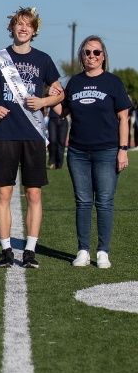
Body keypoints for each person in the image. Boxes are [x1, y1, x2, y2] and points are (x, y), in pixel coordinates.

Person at [0, 8, 63, 268]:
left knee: (34, 195)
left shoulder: (44, 59)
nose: (23, 28)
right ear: (12, 28)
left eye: (28, 25)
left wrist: (43, 101)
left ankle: (29, 250)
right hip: (5, 134)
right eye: (19, 24)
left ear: (35, 30)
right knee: (3, 194)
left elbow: (59, 94)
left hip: (33, 135)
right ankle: (6, 250)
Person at [58, 36, 131, 268]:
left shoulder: (113, 82)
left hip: (107, 151)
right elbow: (62, 111)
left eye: (96, 52)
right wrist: (54, 95)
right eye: (87, 52)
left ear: (103, 56)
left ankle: (102, 252)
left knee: (105, 202)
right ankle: (82, 250)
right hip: (78, 152)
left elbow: (123, 118)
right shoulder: (74, 82)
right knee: (82, 201)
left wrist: (123, 150)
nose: (92, 56)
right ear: (82, 56)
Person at [47, 95, 69, 170]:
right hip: (52, 120)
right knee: (52, 141)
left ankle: (59, 164)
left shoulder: (65, 95)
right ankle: (51, 161)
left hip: (63, 121)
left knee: (61, 143)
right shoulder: (51, 94)